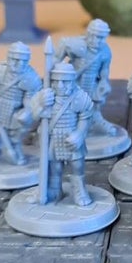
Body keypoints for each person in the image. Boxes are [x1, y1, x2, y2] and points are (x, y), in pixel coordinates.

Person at [31, 62, 94, 205]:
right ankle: (55, 189)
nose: (59, 86)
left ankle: (79, 189)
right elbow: (34, 116)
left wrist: (79, 134)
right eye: (56, 81)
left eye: (65, 81)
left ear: (72, 81)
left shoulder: (79, 97)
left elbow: (86, 116)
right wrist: (41, 105)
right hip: (53, 137)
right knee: (55, 166)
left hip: (71, 136)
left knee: (77, 165)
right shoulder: (44, 96)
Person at [0, 41, 41, 165]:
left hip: (15, 109)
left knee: (15, 134)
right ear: (9, 58)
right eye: (15, 60)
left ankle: (16, 149)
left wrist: (26, 112)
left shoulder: (30, 77)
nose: (19, 64)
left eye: (23, 61)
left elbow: (30, 99)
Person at [56, 18, 116, 135]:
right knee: (69, 104)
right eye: (93, 36)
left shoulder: (105, 51)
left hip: (92, 81)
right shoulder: (77, 45)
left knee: (94, 103)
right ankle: (70, 125)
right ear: (88, 34)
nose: (96, 41)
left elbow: (104, 68)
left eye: (101, 38)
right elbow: (57, 58)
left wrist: (104, 81)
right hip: (74, 81)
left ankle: (94, 122)